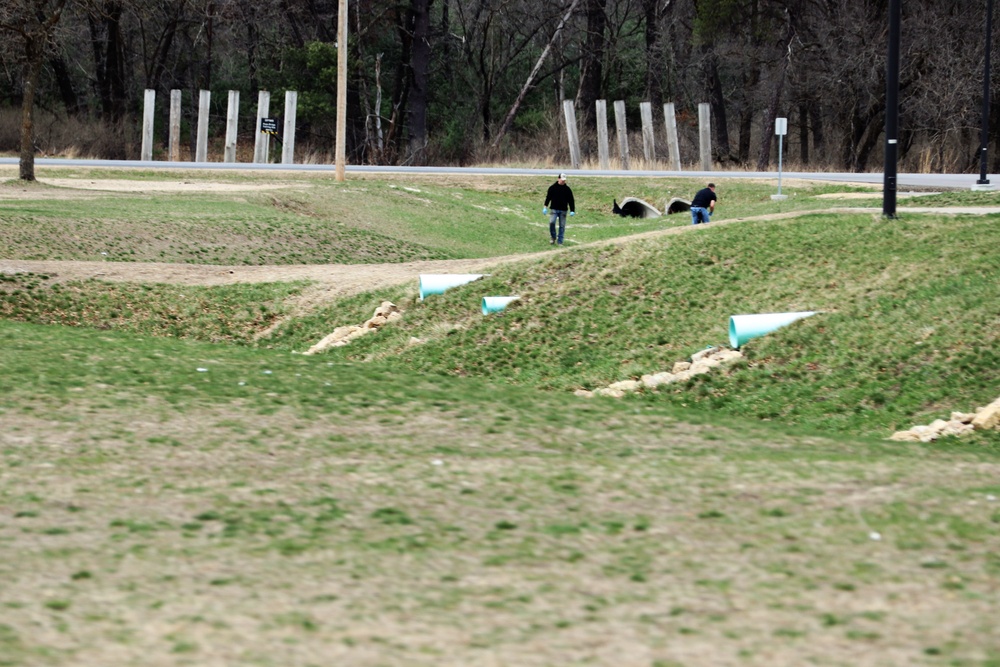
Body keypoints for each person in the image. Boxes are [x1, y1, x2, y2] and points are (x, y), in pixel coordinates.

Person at [543, 173, 575, 245]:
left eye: (564, 180)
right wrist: (545, 207)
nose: (563, 182)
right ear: (558, 179)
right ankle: (553, 237)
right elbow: (548, 198)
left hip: (563, 210)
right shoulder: (552, 188)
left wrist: (572, 210)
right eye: (562, 180)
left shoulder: (567, 190)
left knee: (562, 226)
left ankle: (560, 241)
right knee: (552, 222)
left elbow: (571, 200)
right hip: (554, 209)